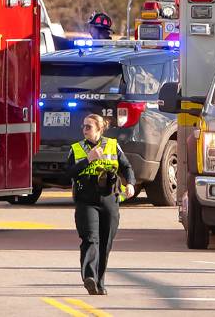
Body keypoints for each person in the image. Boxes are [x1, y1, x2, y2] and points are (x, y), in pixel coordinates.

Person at [66, 114, 133, 296]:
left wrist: (131, 184)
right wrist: (88, 159)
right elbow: (69, 173)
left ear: (99, 129)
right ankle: (89, 276)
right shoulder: (77, 149)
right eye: (84, 127)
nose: (84, 130)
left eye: (88, 127)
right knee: (90, 239)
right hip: (86, 201)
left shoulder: (112, 145)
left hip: (110, 200)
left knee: (105, 243)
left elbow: (126, 167)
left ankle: (99, 282)